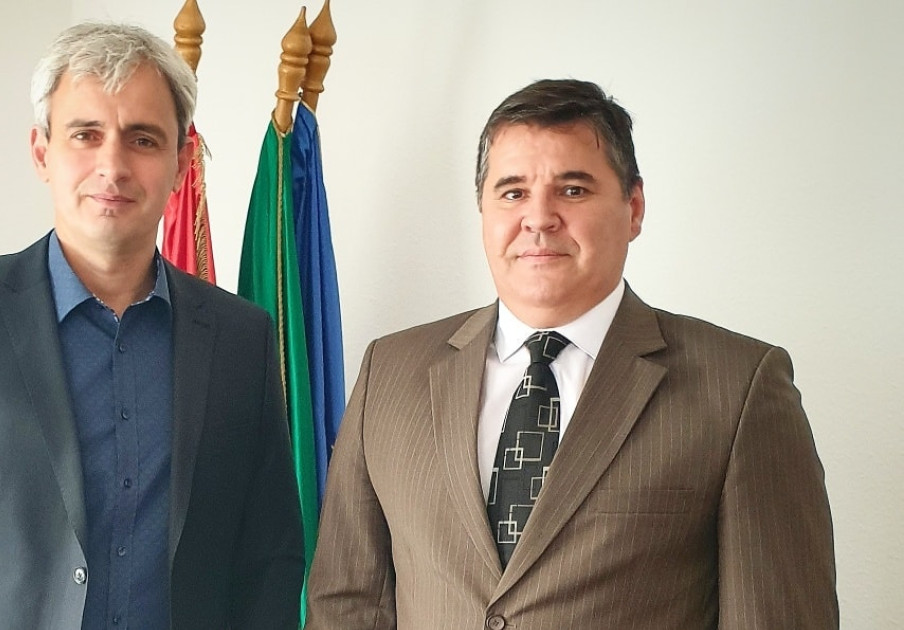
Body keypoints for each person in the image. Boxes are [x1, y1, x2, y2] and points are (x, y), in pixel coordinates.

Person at [305, 79, 837, 629]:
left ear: (634, 208)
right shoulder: (390, 373)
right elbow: (346, 605)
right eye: (513, 192)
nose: (539, 218)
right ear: (483, 209)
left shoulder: (739, 389)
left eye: (573, 190)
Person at [0, 22, 303, 630]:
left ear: (182, 163)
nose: (113, 165)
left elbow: (269, 560)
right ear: (41, 152)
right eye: (86, 134)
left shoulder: (242, 339)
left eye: (143, 139)